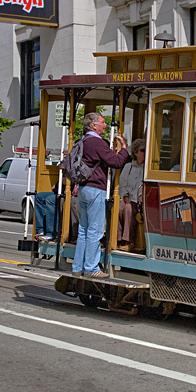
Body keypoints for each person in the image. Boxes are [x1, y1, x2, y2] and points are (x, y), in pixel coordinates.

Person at [72, 112, 128, 278]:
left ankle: (77, 267)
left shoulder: (82, 141)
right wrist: (123, 149)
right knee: (95, 231)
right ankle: (91, 268)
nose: (105, 125)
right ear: (94, 125)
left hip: (83, 189)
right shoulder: (96, 142)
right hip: (95, 189)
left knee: (84, 231)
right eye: (103, 122)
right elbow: (116, 162)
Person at [117, 138, 145, 250]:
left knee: (128, 208)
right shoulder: (128, 167)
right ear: (135, 152)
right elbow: (122, 183)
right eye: (142, 150)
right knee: (118, 207)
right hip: (128, 198)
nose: (145, 153)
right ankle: (118, 239)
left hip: (138, 200)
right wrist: (125, 195)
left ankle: (129, 241)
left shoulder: (147, 168)